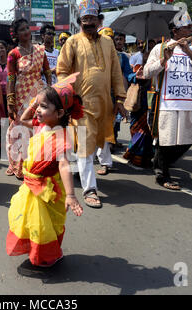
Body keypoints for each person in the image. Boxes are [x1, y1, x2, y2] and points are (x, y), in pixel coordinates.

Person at [6, 75, 84, 269]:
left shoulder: (60, 137)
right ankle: (37, 251)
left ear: (58, 113)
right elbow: (22, 120)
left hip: (48, 189)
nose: (38, 111)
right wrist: (36, 102)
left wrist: (71, 195)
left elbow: (64, 165)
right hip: (32, 186)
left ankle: (50, 255)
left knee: (46, 225)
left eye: (43, 107)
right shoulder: (41, 125)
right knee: (33, 224)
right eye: (38, 106)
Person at [57, 0, 126, 208]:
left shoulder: (108, 43)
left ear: (99, 20)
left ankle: (80, 171)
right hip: (81, 104)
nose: (88, 22)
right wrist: (67, 96)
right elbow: (61, 70)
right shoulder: (73, 42)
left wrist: (120, 99)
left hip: (104, 104)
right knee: (86, 147)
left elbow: (115, 72)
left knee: (98, 143)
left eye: (92, 18)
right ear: (80, 21)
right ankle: (90, 189)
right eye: (85, 19)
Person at [144, 10, 192, 190]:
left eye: (190, 28)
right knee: (166, 139)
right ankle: (162, 173)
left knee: (189, 138)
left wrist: (189, 51)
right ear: (176, 31)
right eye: (186, 28)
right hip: (167, 103)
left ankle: (160, 163)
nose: (190, 31)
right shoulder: (160, 48)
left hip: (189, 102)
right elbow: (147, 72)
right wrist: (163, 61)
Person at [6, 18, 51, 180]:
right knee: (21, 130)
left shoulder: (40, 50)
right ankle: (19, 165)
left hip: (39, 94)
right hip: (21, 96)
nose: (26, 32)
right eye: (22, 30)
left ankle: (36, 163)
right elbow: (11, 78)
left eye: (27, 28)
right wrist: (10, 102)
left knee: (38, 128)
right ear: (16, 35)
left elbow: (46, 71)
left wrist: (49, 89)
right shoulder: (13, 54)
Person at [95, 31, 136, 175]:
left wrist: (138, 77)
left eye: (110, 39)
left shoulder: (122, 57)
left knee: (106, 130)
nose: (108, 41)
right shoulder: (90, 53)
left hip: (111, 99)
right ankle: (83, 162)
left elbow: (128, 73)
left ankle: (105, 162)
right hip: (90, 98)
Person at [0, 40, 9, 117]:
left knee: (10, 114)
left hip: (10, 94)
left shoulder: (12, 63)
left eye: (2, 48)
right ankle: (4, 129)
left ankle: (10, 129)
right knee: (2, 116)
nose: (0, 50)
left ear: (6, 49)